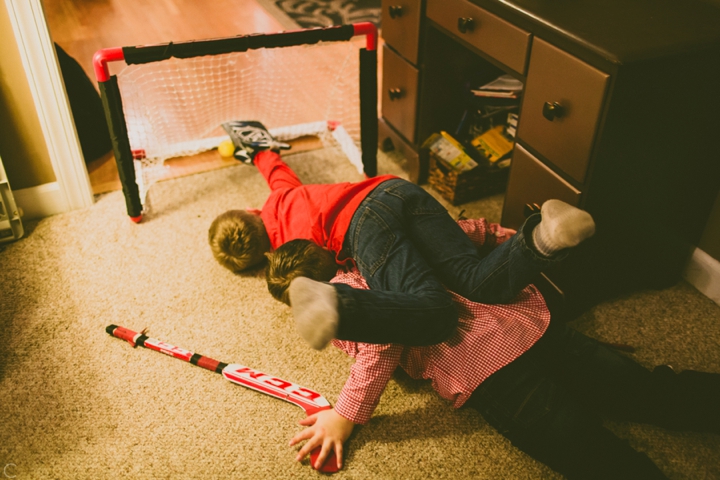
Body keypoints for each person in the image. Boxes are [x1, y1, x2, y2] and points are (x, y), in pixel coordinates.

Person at [265, 221, 720, 479]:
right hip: (525, 326)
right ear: (329, 250)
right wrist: (512, 238)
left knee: (587, 450)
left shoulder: (345, 301)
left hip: (487, 369)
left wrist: (345, 415)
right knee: (644, 389)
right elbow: (458, 233)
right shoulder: (385, 248)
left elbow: (380, 346)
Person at [209, 121, 595, 350]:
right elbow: (271, 162)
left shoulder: (287, 250)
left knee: (437, 311)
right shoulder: (281, 196)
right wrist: (255, 148)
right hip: (395, 191)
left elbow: (320, 262)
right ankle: (545, 236)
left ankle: (342, 305)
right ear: (250, 211)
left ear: (261, 257)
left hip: (363, 229)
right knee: (475, 278)